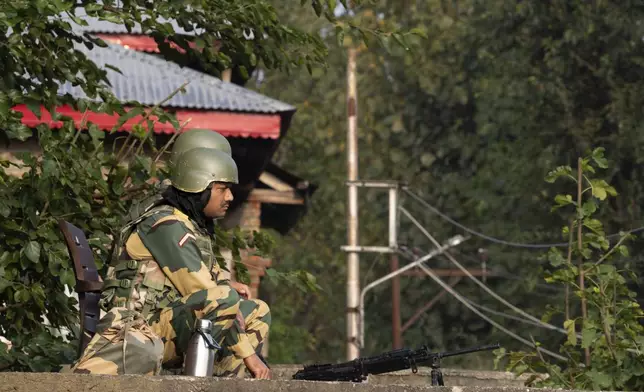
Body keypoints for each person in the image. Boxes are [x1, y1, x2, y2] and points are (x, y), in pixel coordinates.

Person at [70, 146, 272, 379]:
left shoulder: (188, 223)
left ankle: (223, 379)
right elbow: (205, 291)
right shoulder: (165, 225)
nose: (230, 197)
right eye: (223, 189)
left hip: (165, 324)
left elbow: (207, 279)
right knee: (224, 300)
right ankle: (200, 381)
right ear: (200, 188)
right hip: (141, 329)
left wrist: (228, 286)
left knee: (257, 310)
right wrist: (250, 355)